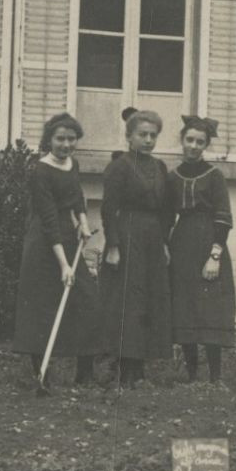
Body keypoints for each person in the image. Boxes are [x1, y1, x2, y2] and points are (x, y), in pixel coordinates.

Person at [12, 112, 98, 393]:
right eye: (60, 138)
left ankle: (84, 375)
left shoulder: (73, 164)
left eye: (71, 139)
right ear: (49, 139)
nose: (66, 144)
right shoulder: (39, 171)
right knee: (41, 306)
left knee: (87, 300)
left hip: (69, 238)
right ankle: (42, 376)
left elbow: (76, 197)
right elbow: (48, 218)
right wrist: (64, 265)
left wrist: (83, 222)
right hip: (44, 242)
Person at [97, 107, 174, 388]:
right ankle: (124, 369)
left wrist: (164, 242)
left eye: (153, 135)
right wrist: (113, 246)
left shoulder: (159, 167)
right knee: (128, 301)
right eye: (142, 134)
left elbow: (167, 209)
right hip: (127, 234)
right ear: (129, 137)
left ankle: (140, 369)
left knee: (150, 300)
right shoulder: (119, 167)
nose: (148, 140)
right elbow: (109, 208)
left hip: (153, 238)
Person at [166, 115, 236, 386]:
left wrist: (215, 255)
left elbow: (223, 217)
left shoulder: (214, 176)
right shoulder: (173, 177)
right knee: (185, 306)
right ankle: (192, 374)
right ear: (182, 141)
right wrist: (165, 245)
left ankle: (215, 377)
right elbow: (166, 215)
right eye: (189, 140)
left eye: (200, 142)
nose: (194, 146)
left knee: (210, 308)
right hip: (182, 244)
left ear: (206, 145)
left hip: (209, 240)